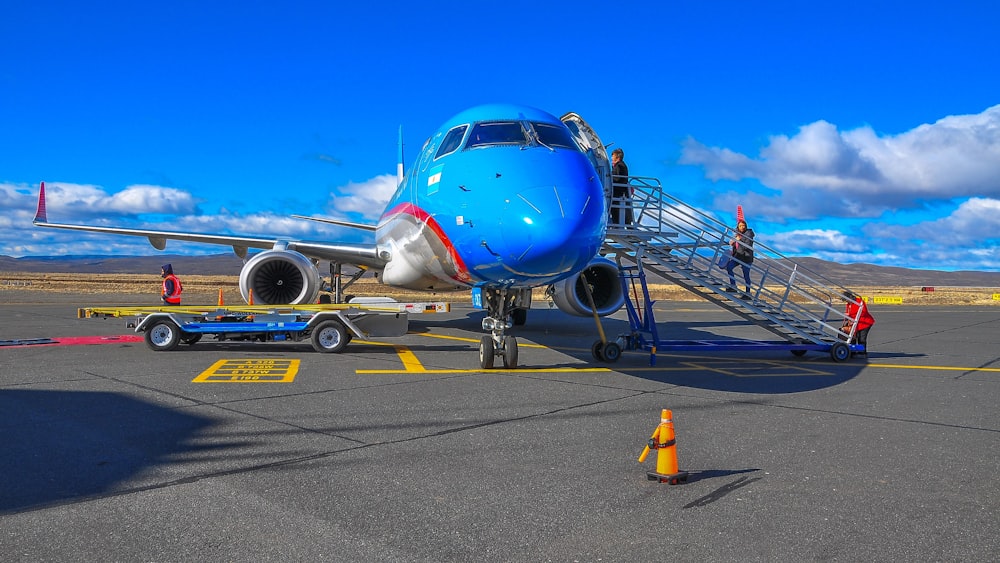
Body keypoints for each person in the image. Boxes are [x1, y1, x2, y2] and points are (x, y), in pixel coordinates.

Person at [724, 220, 755, 294]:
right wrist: (733, 243)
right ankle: (733, 285)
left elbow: (747, 245)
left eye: (743, 225)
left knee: (746, 275)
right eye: (740, 226)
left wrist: (739, 240)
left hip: (746, 258)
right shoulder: (738, 234)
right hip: (738, 256)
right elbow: (738, 246)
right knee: (729, 267)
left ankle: (748, 293)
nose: (742, 227)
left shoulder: (749, 233)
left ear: (746, 226)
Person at [841, 291, 875, 355]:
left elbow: (863, 312)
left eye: (846, 300)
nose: (846, 302)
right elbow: (848, 312)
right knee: (853, 338)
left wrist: (850, 315)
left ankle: (862, 353)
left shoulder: (859, 302)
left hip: (865, 323)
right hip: (856, 324)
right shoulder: (849, 304)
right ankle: (853, 352)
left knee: (861, 338)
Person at [610, 147, 632, 225]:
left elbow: (617, 178)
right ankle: (618, 224)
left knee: (616, 210)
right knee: (618, 210)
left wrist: (609, 178)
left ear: (617, 157)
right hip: (621, 193)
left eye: (613, 156)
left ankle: (616, 224)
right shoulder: (620, 165)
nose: (611, 158)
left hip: (618, 193)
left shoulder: (619, 166)